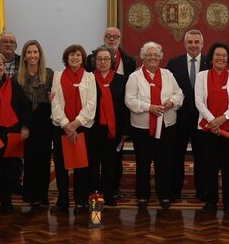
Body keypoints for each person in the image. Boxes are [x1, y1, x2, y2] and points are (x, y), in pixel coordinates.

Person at [125, 41, 184, 208]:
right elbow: (129, 100)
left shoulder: (168, 75)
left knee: (164, 162)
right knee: (143, 162)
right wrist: (149, 107)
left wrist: (172, 102)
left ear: (160, 57)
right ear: (143, 57)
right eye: (149, 55)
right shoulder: (134, 77)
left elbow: (179, 94)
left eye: (156, 55)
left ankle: (164, 194)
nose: (153, 57)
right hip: (142, 128)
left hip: (166, 126)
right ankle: (142, 195)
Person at [195, 43, 229, 213]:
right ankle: (211, 201)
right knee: (209, 166)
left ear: (228, 58)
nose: (221, 58)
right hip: (206, 128)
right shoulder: (201, 76)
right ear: (212, 57)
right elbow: (198, 101)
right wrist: (212, 121)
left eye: (224, 55)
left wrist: (223, 118)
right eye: (218, 55)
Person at [0, 51, 30, 214]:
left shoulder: (14, 85)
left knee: (8, 169)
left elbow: (25, 106)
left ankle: (6, 202)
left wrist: (25, 127)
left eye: (0, 64)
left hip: (11, 132)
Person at [50, 44, 97, 214]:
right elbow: (55, 103)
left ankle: (80, 201)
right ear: (66, 58)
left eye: (78, 55)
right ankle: (62, 201)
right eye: (71, 55)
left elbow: (91, 104)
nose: (74, 58)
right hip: (61, 127)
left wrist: (75, 123)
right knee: (61, 166)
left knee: (81, 166)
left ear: (82, 58)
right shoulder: (57, 76)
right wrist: (66, 124)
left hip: (83, 127)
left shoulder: (90, 77)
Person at [166, 29, 209, 202]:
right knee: (176, 155)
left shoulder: (209, 62)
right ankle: (175, 190)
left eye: (196, 42)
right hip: (179, 117)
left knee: (202, 156)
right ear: (184, 44)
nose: (193, 45)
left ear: (202, 44)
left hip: (202, 118)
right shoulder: (173, 63)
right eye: (190, 42)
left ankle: (202, 191)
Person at [87, 45, 129, 206]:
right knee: (93, 162)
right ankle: (95, 192)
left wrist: (125, 130)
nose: (102, 62)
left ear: (112, 61)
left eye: (106, 59)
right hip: (93, 128)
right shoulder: (88, 79)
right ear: (94, 61)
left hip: (114, 129)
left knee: (111, 163)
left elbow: (125, 107)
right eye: (99, 59)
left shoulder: (121, 80)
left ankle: (109, 193)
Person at [17, 40, 55, 209]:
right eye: (29, 52)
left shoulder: (49, 74)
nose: (32, 55)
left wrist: (53, 97)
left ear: (40, 55)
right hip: (25, 121)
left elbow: (55, 96)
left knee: (44, 159)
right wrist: (23, 125)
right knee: (29, 159)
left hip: (44, 121)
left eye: (35, 52)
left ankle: (42, 196)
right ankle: (31, 195)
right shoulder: (17, 77)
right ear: (24, 56)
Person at [0, 32, 24, 197]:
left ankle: (15, 182)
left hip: (15, 112)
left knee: (14, 153)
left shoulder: (22, 62)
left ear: (16, 46)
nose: (8, 44)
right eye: (5, 41)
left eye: (11, 42)